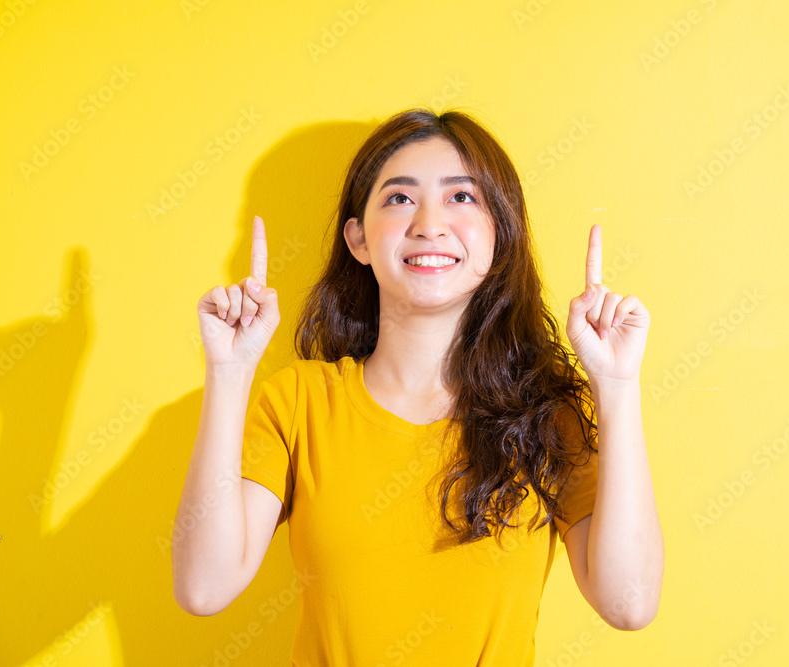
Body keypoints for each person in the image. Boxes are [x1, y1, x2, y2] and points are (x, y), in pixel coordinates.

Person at [172, 107, 663, 665]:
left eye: (462, 197)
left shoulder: (547, 415)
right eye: (399, 198)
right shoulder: (298, 401)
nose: (429, 223)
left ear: (499, 235)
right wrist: (230, 372)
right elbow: (203, 589)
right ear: (357, 238)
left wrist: (617, 386)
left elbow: (630, 603)